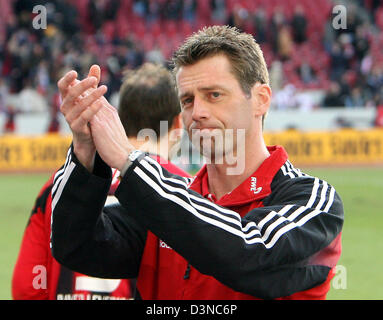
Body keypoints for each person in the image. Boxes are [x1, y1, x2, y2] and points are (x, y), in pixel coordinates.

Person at [51, 26, 344, 300]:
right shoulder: (165, 203)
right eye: (188, 100)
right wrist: (85, 152)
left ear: (261, 99)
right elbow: (73, 246)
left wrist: (130, 162)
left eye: (214, 95)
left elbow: (248, 254)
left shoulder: (314, 202)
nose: (198, 112)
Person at [12, 63, 188, 300]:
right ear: (178, 123)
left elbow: (27, 287)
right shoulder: (183, 189)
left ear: (120, 119)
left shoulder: (61, 184)